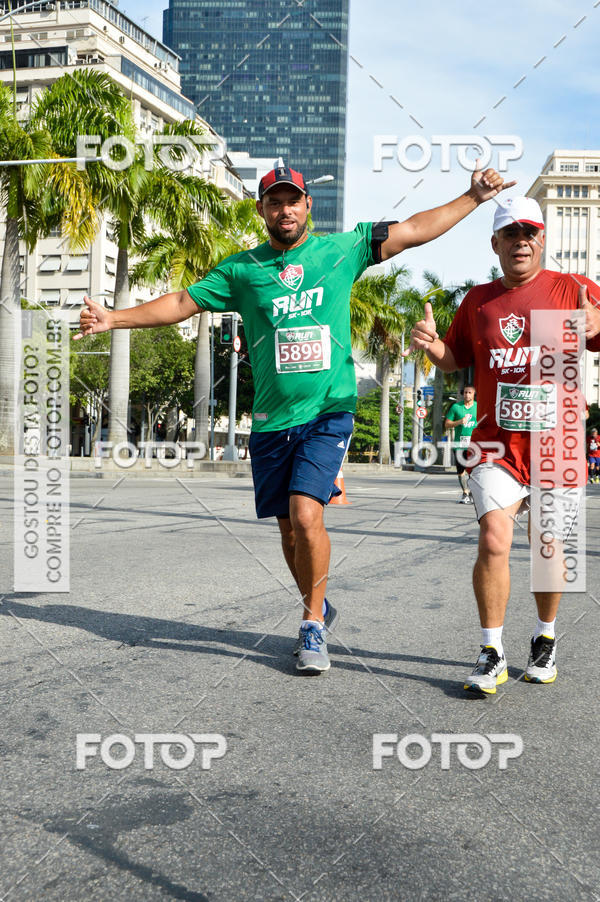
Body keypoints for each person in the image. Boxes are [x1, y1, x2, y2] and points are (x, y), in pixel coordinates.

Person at [76, 159, 513, 675]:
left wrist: (472, 197)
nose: (285, 209)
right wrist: (113, 318)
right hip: (269, 422)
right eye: (274, 201)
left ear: (309, 205)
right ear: (262, 209)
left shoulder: (342, 250)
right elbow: (180, 302)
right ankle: (319, 603)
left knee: (307, 514)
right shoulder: (242, 270)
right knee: (288, 531)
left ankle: (310, 624)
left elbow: (414, 230)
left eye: (293, 200)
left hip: (329, 410)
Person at [407, 195, 600, 694]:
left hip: (559, 445)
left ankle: (545, 635)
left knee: (550, 551)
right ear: (495, 243)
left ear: (542, 239)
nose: (521, 242)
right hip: (494, 445)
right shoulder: (479, 301)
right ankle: (491, 650)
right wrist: (434, 347)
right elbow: (456, 359)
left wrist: (597, 325)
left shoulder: (571, 289)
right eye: (510, 234)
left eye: (529, 233)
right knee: (494, 536)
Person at [444, 384, 477, 503]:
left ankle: (473, 492)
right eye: (465, 392)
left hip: (475, 445)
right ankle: (465, 493)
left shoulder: (479, 407)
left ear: (474, 394)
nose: (467, 395)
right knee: (461, 470)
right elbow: (447, 424)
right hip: (459, 444)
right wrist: (459, 422)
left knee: (474, 470)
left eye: (470, 393)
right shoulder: (456, 407)